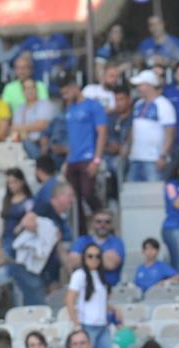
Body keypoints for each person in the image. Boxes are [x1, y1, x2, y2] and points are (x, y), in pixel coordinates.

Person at [57, 76, 108, 235]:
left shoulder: (93, 106)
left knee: (88, 192)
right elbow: (73, 137)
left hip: (88, 158)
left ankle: (104, 220)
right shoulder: (69, 110)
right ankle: (82, 234)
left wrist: (97, 159)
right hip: (73, 159)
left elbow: (102, 132)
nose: (65, 97)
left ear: (75, 87)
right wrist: (67, 160)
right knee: (75, 200)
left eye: (66, 92)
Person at [65, 242, 114, 348]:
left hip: (102, 325)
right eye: (90, 256)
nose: (94, 259)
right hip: (87, 326)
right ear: (84, 257)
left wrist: (114, 310)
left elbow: (100, 302)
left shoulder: (101, 276)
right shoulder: (79, 275)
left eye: (97, 256)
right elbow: (69, 300)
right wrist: (76, 324)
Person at [128, 69, 177, 183]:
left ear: (149, 86)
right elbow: (134, 128)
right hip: (136, 157)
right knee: (132, 193)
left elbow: (170, 132)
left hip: (154, 158)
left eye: (140, 85)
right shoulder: (138, 104)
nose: (138, 88)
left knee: (154, 193)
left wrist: (163, 155)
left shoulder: (164, 105)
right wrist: (128, 147)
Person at [69, 210, 125, 284]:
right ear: (92, 223)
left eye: (107, 222)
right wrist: (104, 257)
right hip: (85, 287)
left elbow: (111, 264)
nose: (103, 225)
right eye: (98, 221)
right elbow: (73, 262)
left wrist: (84, 257)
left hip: (109, 288)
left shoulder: (117, 242)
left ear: (111, 225)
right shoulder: (82, 240)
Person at [10, 78, 57, 159]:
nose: (29, 91)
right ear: (23, 91)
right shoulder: (21, 108)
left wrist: (22, 130)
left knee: (26, 142)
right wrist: (21, 132)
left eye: (32, 87)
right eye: (26, 88)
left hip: (39, 145)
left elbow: (42, 125)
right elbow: (13, 128)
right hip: (20, 144)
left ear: (36, 89)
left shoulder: (45, 104)